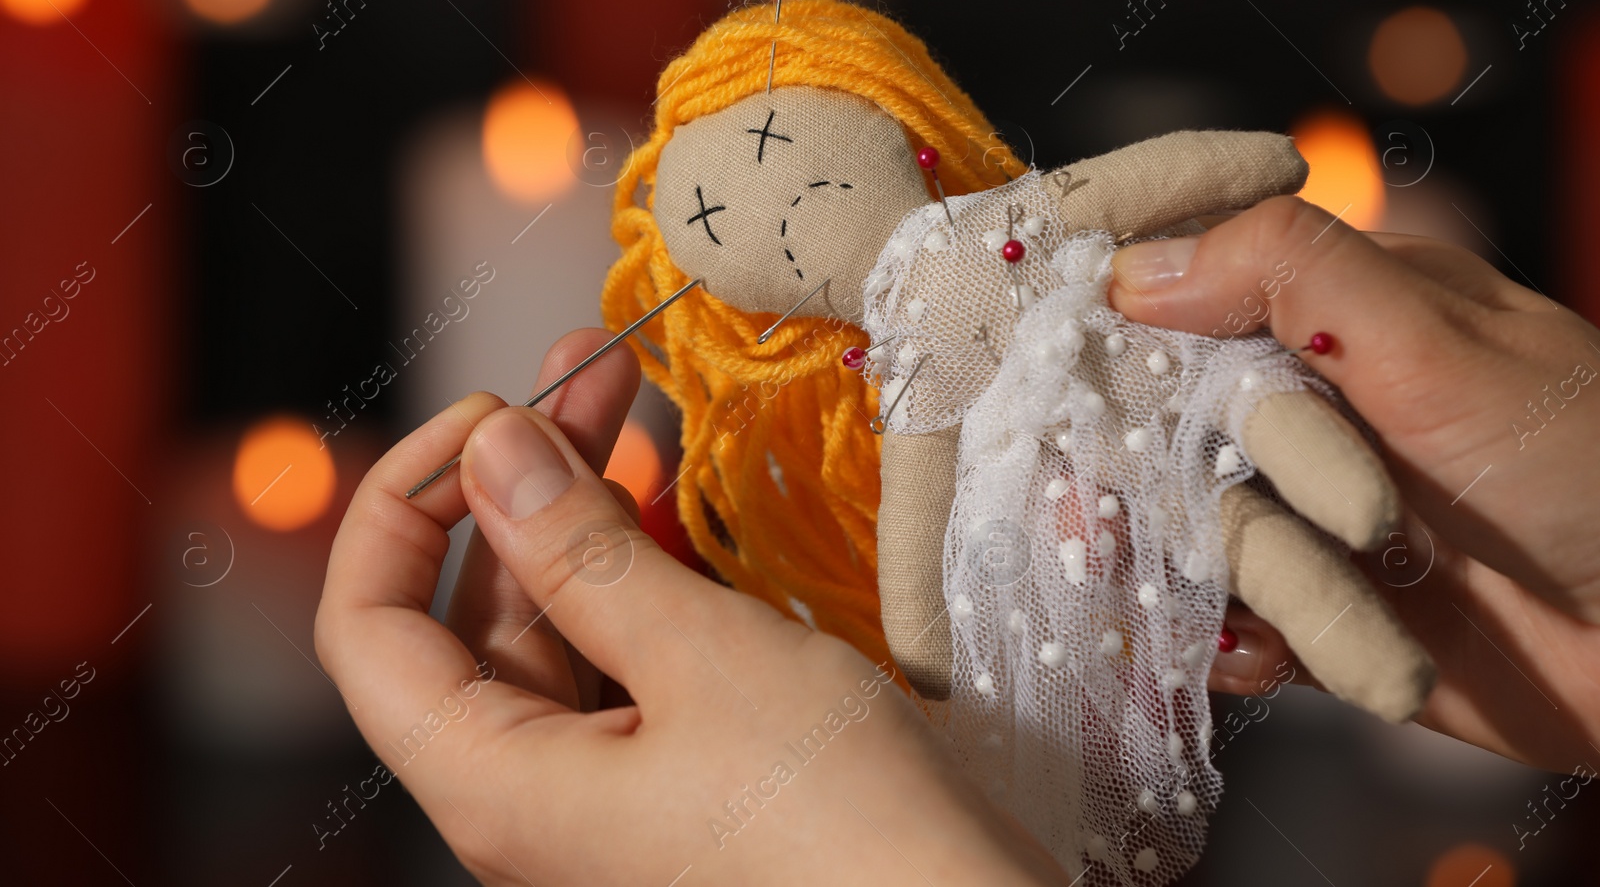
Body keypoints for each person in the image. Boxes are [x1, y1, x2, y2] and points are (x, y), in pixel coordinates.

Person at [315, 196, 1600, 884]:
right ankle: (1387, 643)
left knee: (1256, 492)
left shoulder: (979, 254)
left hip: (1170, 395)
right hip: (1130, 459)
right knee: (1238, 542)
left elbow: (1164, 187)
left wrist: (871, 858)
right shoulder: (911, 371)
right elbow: (917, 528)